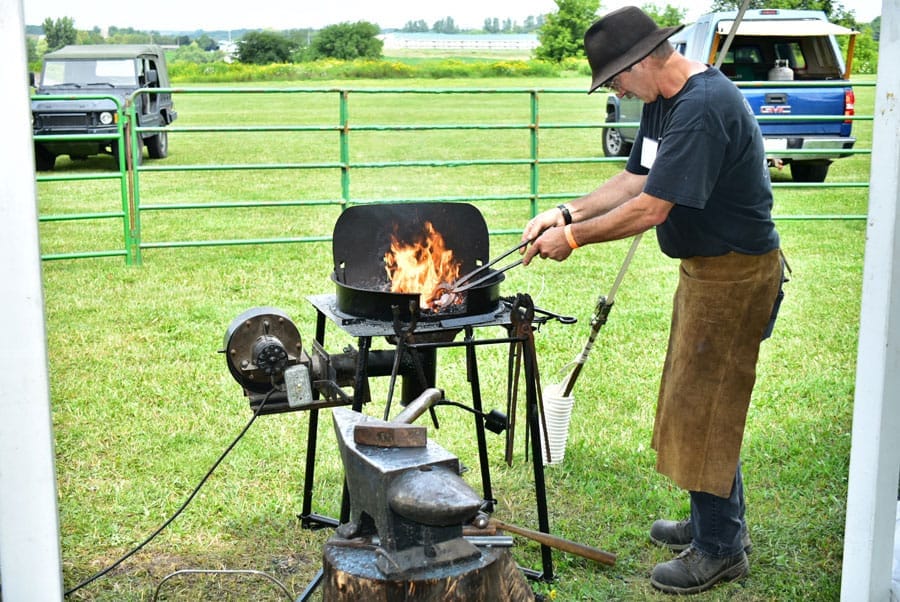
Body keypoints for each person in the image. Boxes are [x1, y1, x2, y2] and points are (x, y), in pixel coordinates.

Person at [520, 6, 784, 595]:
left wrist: (573, 239)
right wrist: (566, 211)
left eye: (614, 77)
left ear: (641, 61)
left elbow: (653, 207)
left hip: (737, 275)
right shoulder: (666, 102)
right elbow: (637, 177)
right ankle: (714, 520)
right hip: (707, 271)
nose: (614, 88)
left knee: (705, 406)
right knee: (693, 396)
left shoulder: (703, 107)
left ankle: (720, 548)